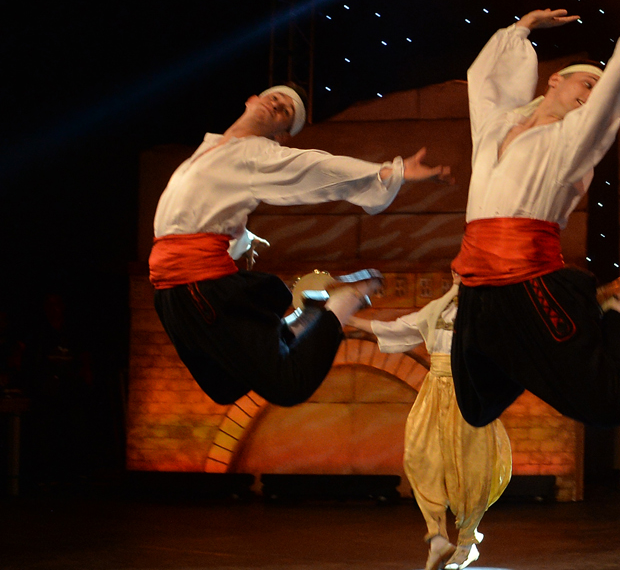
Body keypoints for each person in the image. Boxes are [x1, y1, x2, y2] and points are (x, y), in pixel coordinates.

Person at [150, 84, 450, 407]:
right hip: (168, 287)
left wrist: (393, 172)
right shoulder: (209, 146)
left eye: (286, 112)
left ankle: (345, 300)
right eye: (274, 98)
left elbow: (320, 169)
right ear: (252, 100)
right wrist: (241, 236)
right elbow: (196, 207)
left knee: (288, 384)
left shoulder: (256, 153)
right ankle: (308, 314)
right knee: (224, 385)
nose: (277, 105)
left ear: (281, 136)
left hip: (195, 281)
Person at [449, 0, 620, 430]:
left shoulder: (571, 140)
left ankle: (613, 310)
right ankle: (555, 331)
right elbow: (485, 83)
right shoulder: (498, 125)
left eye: (599, 91)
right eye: (587, 83)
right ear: (554, 80)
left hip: (528, 276)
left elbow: (617, 89)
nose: (592, 95)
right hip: (475, 280)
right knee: (475, 405)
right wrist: (520, 28)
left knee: (610, 403)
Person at [356, 278, 511, 570]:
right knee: (421, 459)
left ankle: (466, 542)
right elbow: (397, 329)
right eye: (456, 270)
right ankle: (437, 538)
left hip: (468, 393)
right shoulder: (437, 309)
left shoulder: (491, 310)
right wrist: (343, 316)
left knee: (473, 468)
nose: (459, 275)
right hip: (435, 393)